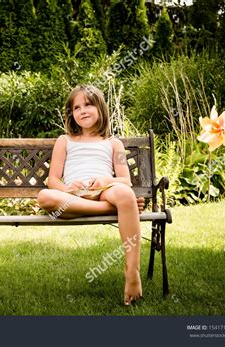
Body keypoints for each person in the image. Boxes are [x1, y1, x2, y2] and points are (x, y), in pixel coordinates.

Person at [37, 85, 145, 306]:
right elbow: (53, 180)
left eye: (88, 104)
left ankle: (132, 272)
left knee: (124, 193)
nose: (82, 110)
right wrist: (68, 190)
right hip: (73, 199)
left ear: (101, 108)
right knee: (44, 197)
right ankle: (122, 209)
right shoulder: (64, 141)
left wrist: (107, 181)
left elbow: (125, 180)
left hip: (104, 192)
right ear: (71, 114)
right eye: (76, 107)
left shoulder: (114, 144)